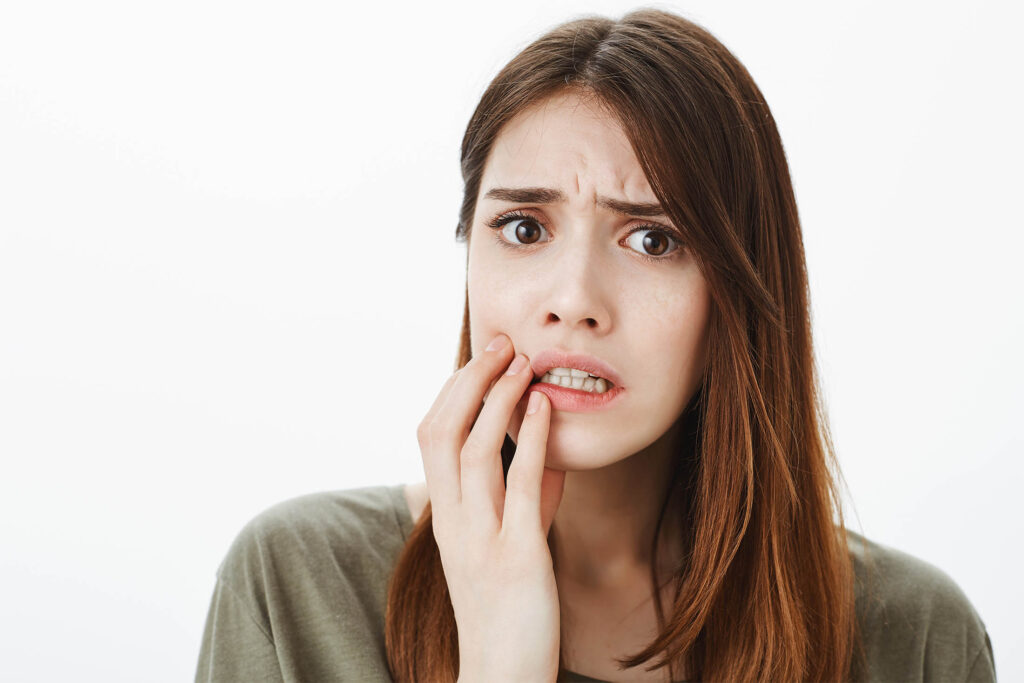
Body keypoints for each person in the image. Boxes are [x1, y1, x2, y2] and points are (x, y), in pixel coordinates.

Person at [195, 8, 995, 682]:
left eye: (653, 239)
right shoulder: (298, 587)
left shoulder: (914, 638)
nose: (573, 300)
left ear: (739, 296)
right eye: (523, 228)